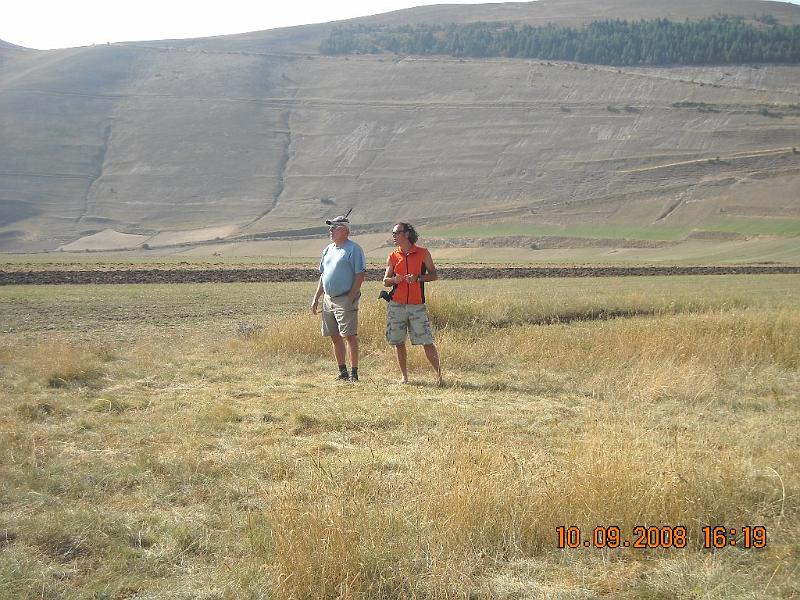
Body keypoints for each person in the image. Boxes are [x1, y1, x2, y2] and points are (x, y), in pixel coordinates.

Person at [382, 222, 443, 385]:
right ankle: (404, 377)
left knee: (427, 341)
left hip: (417, 306)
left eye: (396, 233)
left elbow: (434, 275)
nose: (393, 236)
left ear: (407, 234)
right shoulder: (393, 256)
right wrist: (394, 279)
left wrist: (418, 278)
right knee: (398, 342)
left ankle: (439, 377)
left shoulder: (423, 253)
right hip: (396, 305)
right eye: (393, 233)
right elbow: (385, 281)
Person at [311, 213, 366, 382]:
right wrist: (316, 297)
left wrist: (351, 296)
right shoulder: (327, 250)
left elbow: (360, 274)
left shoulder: (354, 249)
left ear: (344, 231)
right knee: (334, 335)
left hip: (345, 298)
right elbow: (323, 275)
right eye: (330, 228)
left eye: (334, 228)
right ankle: (342, 371)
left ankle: (354, 373)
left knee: (349, 335)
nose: (330, 231)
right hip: (328, 299)